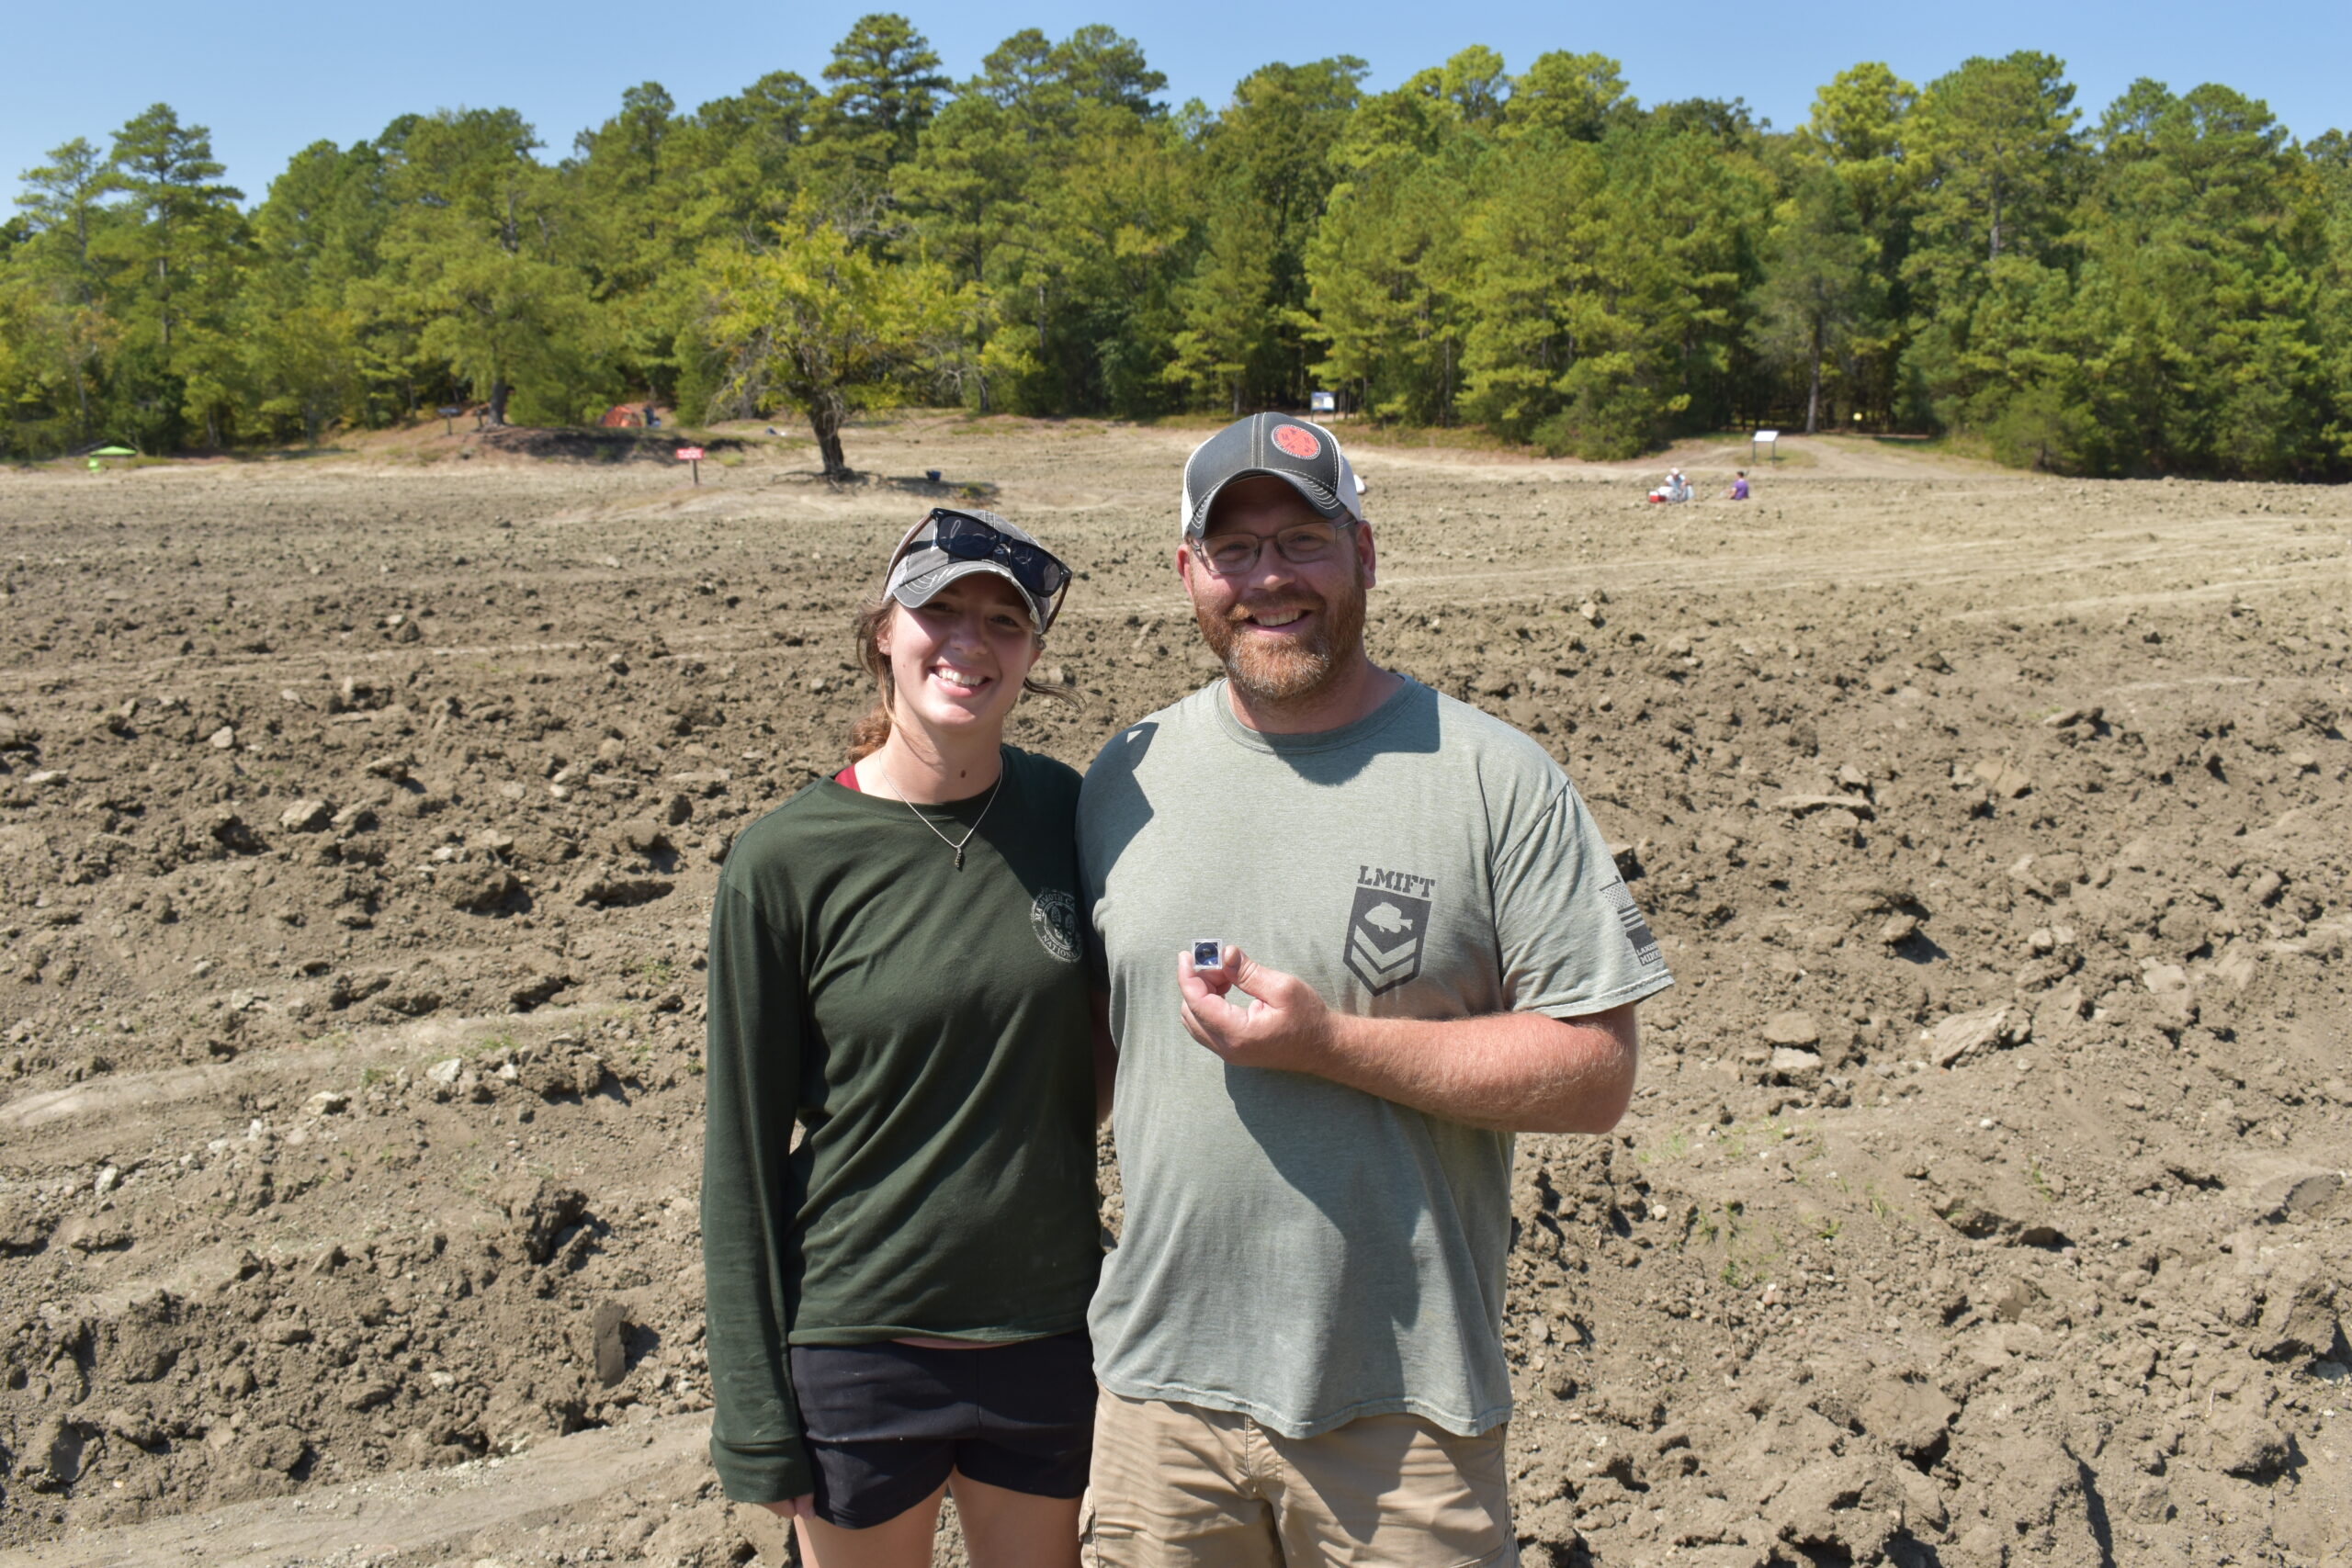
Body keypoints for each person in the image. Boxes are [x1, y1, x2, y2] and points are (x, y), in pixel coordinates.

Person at [1077, 414, 1675, 1566]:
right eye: (1233, 551)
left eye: (1300, 540)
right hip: (1159, 1409)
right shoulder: (1126, 776)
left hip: (1402, 1423)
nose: (1268, 581)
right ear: (1188, 574)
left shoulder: (1492, 779)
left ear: (1364, 550)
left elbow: (1596, 1074)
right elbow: (1093, 1062)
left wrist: (1331, 1045)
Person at [703, 507, 1106, 1568]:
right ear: (883, 629)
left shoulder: (1069, 814)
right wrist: (754, 1413)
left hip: (1042, 1333)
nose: (970, 643)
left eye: (1004, 622)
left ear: (1032, 652)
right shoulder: (786, 861)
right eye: (941, 611)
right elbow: (739, 1159)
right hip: (859, 1344)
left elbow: (1102, 1060)